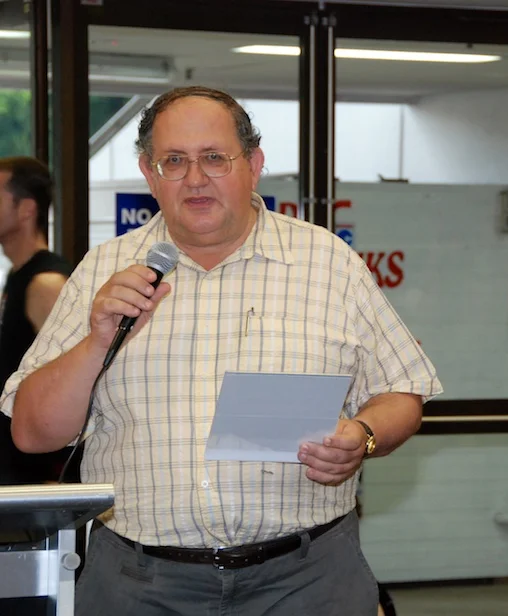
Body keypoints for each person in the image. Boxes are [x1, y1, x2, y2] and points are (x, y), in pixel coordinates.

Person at [1, 86, 442, 616]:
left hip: (307, 579)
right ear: (149, 172)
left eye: (214, 157)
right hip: (139, 583)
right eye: (174, 161)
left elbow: (402, 390)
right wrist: (97, 340)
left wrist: (364, 437)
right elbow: (32, 433)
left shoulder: (328, 263)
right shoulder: (102, 271)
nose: (194, 177)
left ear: (253, 164)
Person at [0, 157, 74, 486]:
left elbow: (70, 382)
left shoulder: (46, 283)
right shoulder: (18, 277)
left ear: (26, 209)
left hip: (34, 474)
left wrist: (55, 476)